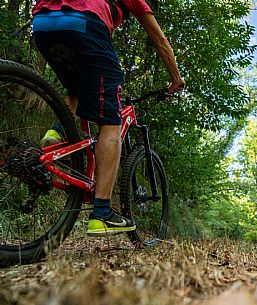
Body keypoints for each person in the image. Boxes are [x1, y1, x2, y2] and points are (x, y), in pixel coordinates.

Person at [31, 0, 185, 236]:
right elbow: (158, 37)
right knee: (111, 121)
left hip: (42, 24)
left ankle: (56, 134)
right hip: (84, 24)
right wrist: (175, 78)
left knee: (76, 89)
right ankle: (102, 212)